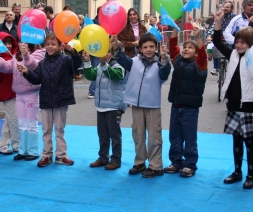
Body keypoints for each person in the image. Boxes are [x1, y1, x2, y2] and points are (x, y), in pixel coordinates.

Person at [212, 8, 253, 189]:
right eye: (237, 42)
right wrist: (219, 23)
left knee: (249, 140)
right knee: (236, 139)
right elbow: (217, 42)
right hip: (234, 102)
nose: (238, 45)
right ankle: (237, 171)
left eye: (243, 43)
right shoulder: (233, 55)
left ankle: (251, 174)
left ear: (251, 44)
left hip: (250, 103)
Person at [112, 33, 171, 178]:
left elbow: (164, 74)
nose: (149, 49)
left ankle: (155, 166)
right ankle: (139, 162)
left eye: (152, 46)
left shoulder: (161, 62)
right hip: (136, 104)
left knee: (154, 136)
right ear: (140, 49)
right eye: (145, 47)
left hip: (152, 105)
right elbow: (122, 59)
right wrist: (115, 46)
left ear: (156, 47)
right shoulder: (134, 61)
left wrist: (164, 58)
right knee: (137, 134)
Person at [19, 33, 75, 167]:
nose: (50, 47)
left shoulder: (66, 60)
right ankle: (47, 155)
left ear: (60, 46)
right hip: (46, 99)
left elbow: (76, 64)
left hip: (61, 100)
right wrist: (27, 72)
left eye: (53, 44)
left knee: (60, 129)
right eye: (48, 44)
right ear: (44, 46)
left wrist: (73, 52)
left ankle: (62, 155)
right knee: (46, 129)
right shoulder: (42, 63)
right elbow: (37, 79)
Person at [163, 24, 208, 178]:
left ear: (196, 53)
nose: (186, 49)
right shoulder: (178, 61)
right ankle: (176, 161)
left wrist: (197, 37)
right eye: (185, 47)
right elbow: (173, 45)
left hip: (190, 108)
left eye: (190, 47)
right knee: (174, 136)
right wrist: (175, 26)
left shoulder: (200, 65)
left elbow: (203, 54)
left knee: (189, 136)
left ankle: (190, 164)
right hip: (176, 105)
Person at [0, 36, 45, 159]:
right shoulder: (16, 56)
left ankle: (33, 151)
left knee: (31, 123)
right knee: (22, 123)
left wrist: (26, 55)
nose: (22, 44)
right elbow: (7, 67)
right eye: (21, 42)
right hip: (19, 94)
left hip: (32, 93)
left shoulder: (38, 54)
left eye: (25, 42)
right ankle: (23, 150)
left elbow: (34, 65)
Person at [82, 47, 127, 170]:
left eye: (107, 52)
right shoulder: (100, 66)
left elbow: (115, 76)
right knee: (102, 134)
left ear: (112, 54)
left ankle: (116, 159)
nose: (104, 55)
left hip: (114, 106)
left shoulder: (119, 66)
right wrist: (87, 62)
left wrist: (103, 64)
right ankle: (103, 157)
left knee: (115, 135)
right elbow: (91, 76)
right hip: (101, 106)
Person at [0, 32, 20, 155]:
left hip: (12, 90)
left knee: (9, 119)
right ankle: (17, 144)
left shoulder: (11, 56)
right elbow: (0, 76)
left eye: (9, 43)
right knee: (13, 120)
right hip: (8, 91)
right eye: (5, 43)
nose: (8, 46)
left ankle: (2, 146)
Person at [207, 0, 236, 75]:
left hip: (230, 38)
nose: (225, 8)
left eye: (227, 7)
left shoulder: (235, 17)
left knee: (232, 52)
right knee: (215, 48)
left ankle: (232, 68)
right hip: (220, 37)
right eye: (224, 7)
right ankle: (216, 68)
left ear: (231, 8)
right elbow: (214, 26)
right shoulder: (220, 16)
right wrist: (209, 35)